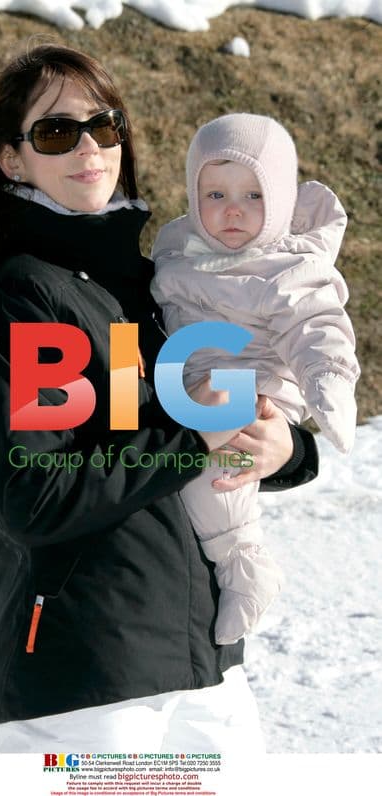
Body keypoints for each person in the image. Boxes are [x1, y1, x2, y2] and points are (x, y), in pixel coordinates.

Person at [0, 46, 319, 754]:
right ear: (11, 160)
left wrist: (284, 450)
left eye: (105, 125)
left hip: (199, 661)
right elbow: (38, 491)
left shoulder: (154, 287)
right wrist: (192, 442)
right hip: (90, 676)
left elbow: (217, 417)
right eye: (57, 133)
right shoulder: (29, 300)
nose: (89, 147)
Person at [151, 113, 360, 647]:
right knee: (177, 464)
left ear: (283, 201)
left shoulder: (288, 266)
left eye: (253, 195)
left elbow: (319, 327)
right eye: (215, 194)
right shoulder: (178, 249)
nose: (233, 210)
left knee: (210, 475)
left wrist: (329, 383)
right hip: (187, 381)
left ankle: (245, 565)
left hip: (248, 387)